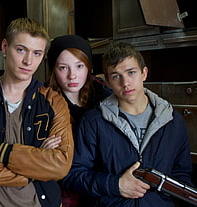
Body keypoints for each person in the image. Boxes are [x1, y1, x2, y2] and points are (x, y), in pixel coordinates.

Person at [0, 18, 74, 207]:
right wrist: (33, 169)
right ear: (4, 46)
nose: (28, 61)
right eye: (21, 50)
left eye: (37, 53)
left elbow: (60, 165)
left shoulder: (53, 102)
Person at [62, 42, 193, 206]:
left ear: (144, 73)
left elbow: (182, 175)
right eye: (116, 76)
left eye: (131, 73)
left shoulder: (173, 121)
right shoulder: (93, 122)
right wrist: (115, 185)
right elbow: (73, 175)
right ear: (108, 81)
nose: (125, 83)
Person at [46, 34, 112, 207]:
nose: (72, 76)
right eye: (63, 68)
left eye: (79, 66)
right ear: (53, 69)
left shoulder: (105, 96)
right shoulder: (43, 102)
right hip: (65, 188)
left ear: (89, 67)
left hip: (103, 183)